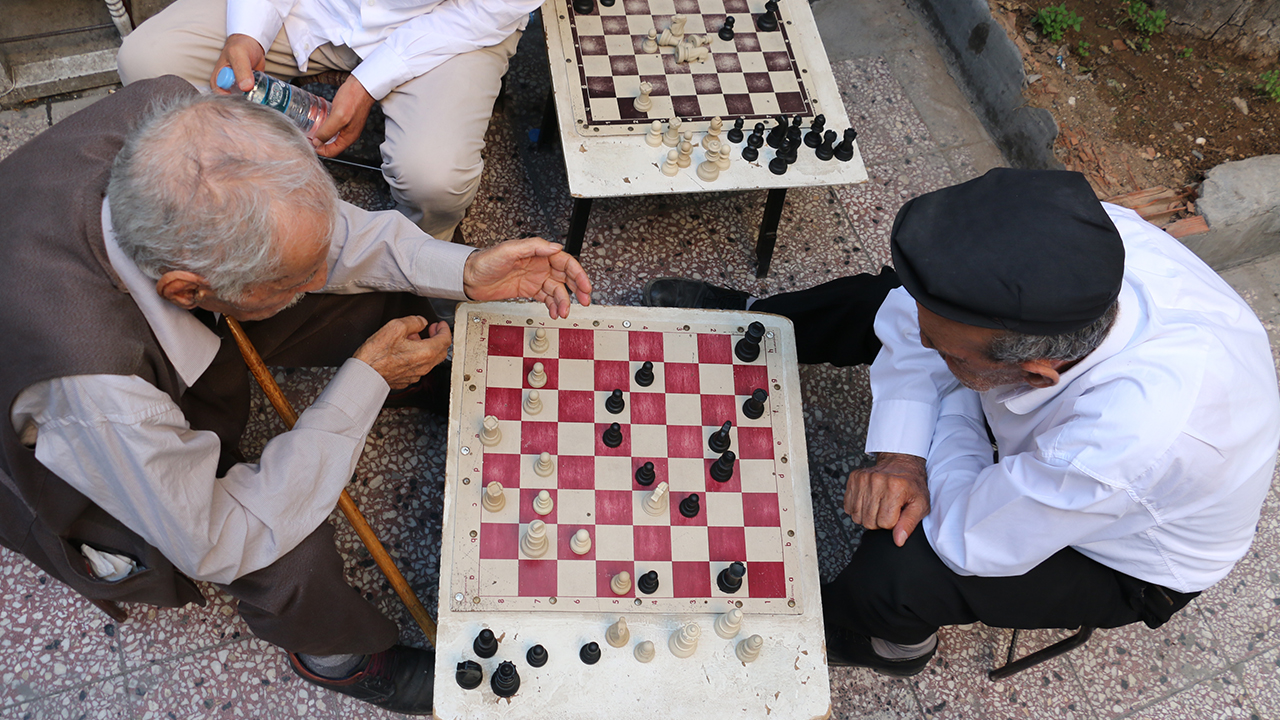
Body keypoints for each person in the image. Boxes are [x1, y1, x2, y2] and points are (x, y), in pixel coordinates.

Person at [0, 77, 591, 715]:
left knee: (370, 289)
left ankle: (420, 377)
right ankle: (338, 659)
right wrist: (363, 384)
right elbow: (215, 538)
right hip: (80, 453)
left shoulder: (182, 121)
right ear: (187, 291)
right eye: (294, 278)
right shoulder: (95, 392)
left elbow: (321, 237)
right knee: (287, 557)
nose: (320, 275)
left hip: (137, 326)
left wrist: (462, 270)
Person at [643, 168, 1279, 676]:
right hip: (1056, 444)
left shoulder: (1130, 438)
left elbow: (968, 536)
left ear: (1036, 373)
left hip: (1127, 554)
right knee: (889, 301)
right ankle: (757, 323)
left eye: (948, 354)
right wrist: (903, 453)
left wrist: (915, 455)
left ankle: (886, 644)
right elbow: (907, 322)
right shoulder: (1084, 241)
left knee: (898, 568)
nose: (926, 345)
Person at [116, 0, 544, 241]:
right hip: (315, 7)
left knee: (434, 179)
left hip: (454, 25)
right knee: (147, 61)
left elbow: (486, 10)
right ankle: (228, 198)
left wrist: (368, 83)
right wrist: (247, 32)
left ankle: (420, 264)